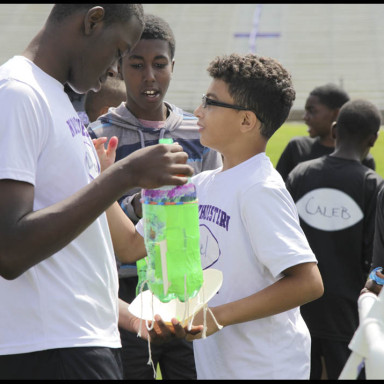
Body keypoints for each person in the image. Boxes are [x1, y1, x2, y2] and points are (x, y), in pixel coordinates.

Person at [0, 4, 202, 380]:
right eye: (120, 51)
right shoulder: (17, 93)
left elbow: (117, 246)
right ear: (93, 21)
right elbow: (9, 249)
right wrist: (123, 175)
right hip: (48, 347)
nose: (116, 69)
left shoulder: (58, 101)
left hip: (87, 339)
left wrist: (134, 316)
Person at [95, 52, 324, 379]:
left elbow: (308, 283)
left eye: (212, 103)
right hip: (219, 368)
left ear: (246, 121)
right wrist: (104, 180)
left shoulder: (260, 188)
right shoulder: (199, 185)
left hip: (267, 367)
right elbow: (132, 246)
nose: (198, 111)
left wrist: (216, 316)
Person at [88, 14, 222, 380]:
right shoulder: (97, 134)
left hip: (188, 289)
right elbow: (90, 214)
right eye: (136, 64)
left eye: (159, 64)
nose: (149, 75)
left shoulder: (199, 131)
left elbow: (213, 206)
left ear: (172, 67)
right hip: (125, 292)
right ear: (118, 68)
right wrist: (138, 202)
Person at [285, 99, 384, 380]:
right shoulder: (372, 185)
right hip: (349, 315)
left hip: (298, 309)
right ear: (374, 139)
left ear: (334, 129)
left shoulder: (300, 174)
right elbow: (375, 258)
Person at [276, 83, 376, 181]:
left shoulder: (362, 158)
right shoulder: (298, 148)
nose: (305, 117)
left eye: (311, 110)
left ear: (337, 114)